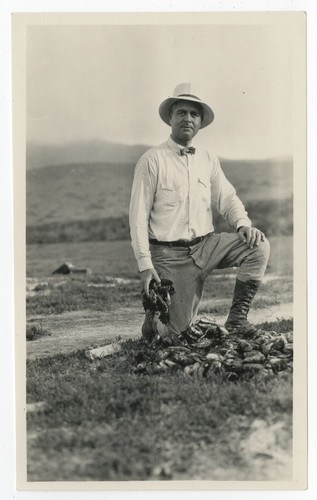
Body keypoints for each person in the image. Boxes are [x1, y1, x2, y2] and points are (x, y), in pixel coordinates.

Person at [129, 83, 270, 339]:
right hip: (170, 255)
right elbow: (138, 217)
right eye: (181, 112)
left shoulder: (208, 159)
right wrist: (144, 265)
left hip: (207, 246)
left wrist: (242, 224)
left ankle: (238, 320)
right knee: (177, 336)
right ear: (170, 118)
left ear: (200, 122)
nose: (188, 118)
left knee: (258, 246)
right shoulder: (152, 160)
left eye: (194, 114)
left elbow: (226, 197)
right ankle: (154, 320)